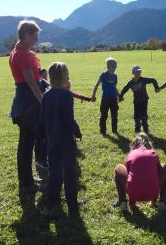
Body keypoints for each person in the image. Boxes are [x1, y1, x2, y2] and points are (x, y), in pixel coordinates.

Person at [42, 62, 82, 214]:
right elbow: (69, 119)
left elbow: (43, 118)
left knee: (54, 171)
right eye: (68, 74)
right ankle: (72, 204)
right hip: (66, 141)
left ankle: (54, 200)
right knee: (69, 172)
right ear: (63, 77)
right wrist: (78, 133)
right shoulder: (67, 95)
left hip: (51, 140)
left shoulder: (46, 95)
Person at [9, 20, 44, 194]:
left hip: (24, 101)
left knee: (26, 143)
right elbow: (30, 81)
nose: (36, 40)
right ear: (27, 35)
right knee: (27, 144)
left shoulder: (17, 51)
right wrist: (43, 101)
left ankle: (26, 179)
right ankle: (26, 183)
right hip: (29, 103)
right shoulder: (22, 54)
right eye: (35, 36)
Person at [112, 133, 166, 211]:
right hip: (153, 192)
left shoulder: (131, 154)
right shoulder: (154, 154)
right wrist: (153, 201)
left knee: (118, 167)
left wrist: (132, 203)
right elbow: (156, 176)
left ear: (133, 145)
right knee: (165, 167)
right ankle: (163, 201)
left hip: (133, 193)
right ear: (149, 144)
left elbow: (130, 177)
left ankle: (122, 201)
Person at [119, 65, 160, 133]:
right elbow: (125, 89)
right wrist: (121, 96)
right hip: (136, 101)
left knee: (144, 115)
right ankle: (137, 129)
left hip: (144, 100)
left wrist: (156, 88)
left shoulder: (143, 79)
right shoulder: (131, 83)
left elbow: (153, 80)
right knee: (137, 115)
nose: (139, 73)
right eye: (137, 72)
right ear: (133, 73)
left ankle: (145, 128)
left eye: (140, 72)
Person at [91, 57, 119, 135]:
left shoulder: (115, 76)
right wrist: (93, 95)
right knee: (104, 115)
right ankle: (102, 130)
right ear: (108, 67)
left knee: (114, 115)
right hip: (105, 99)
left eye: (115, 67)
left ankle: (114, 130)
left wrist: (119, 95)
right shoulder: (103, 75)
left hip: (113, 99)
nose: (114, 69)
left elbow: (114, 87)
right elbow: (96, 85)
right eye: (113, 67)